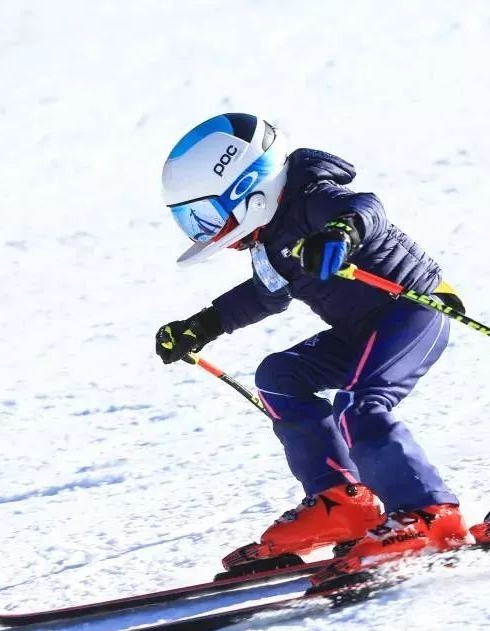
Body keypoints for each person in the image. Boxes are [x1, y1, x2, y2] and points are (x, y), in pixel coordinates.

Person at [155, 113, 469, 575]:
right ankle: (342, 504)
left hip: (415, 309)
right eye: (191, 223)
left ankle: (430, 514)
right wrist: (200, 326)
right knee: (279, 377)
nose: (207, 234)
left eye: (206, 216)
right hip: (359, 332)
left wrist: (339, 234)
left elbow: (366, 208)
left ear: (247, 189)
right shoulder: (267, 238)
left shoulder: (310, 196)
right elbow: (265, 294)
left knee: (358, 405)